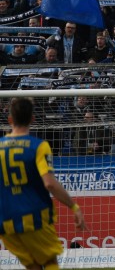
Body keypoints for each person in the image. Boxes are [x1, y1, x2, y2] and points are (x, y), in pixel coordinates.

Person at [0, 98, 88, 270]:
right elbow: (50, 184)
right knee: (49, 263)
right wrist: (74, 207)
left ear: (10, 119)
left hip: (5, 220)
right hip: (33, 217)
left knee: (33, 266)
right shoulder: (39, 146)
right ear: (33, 119)